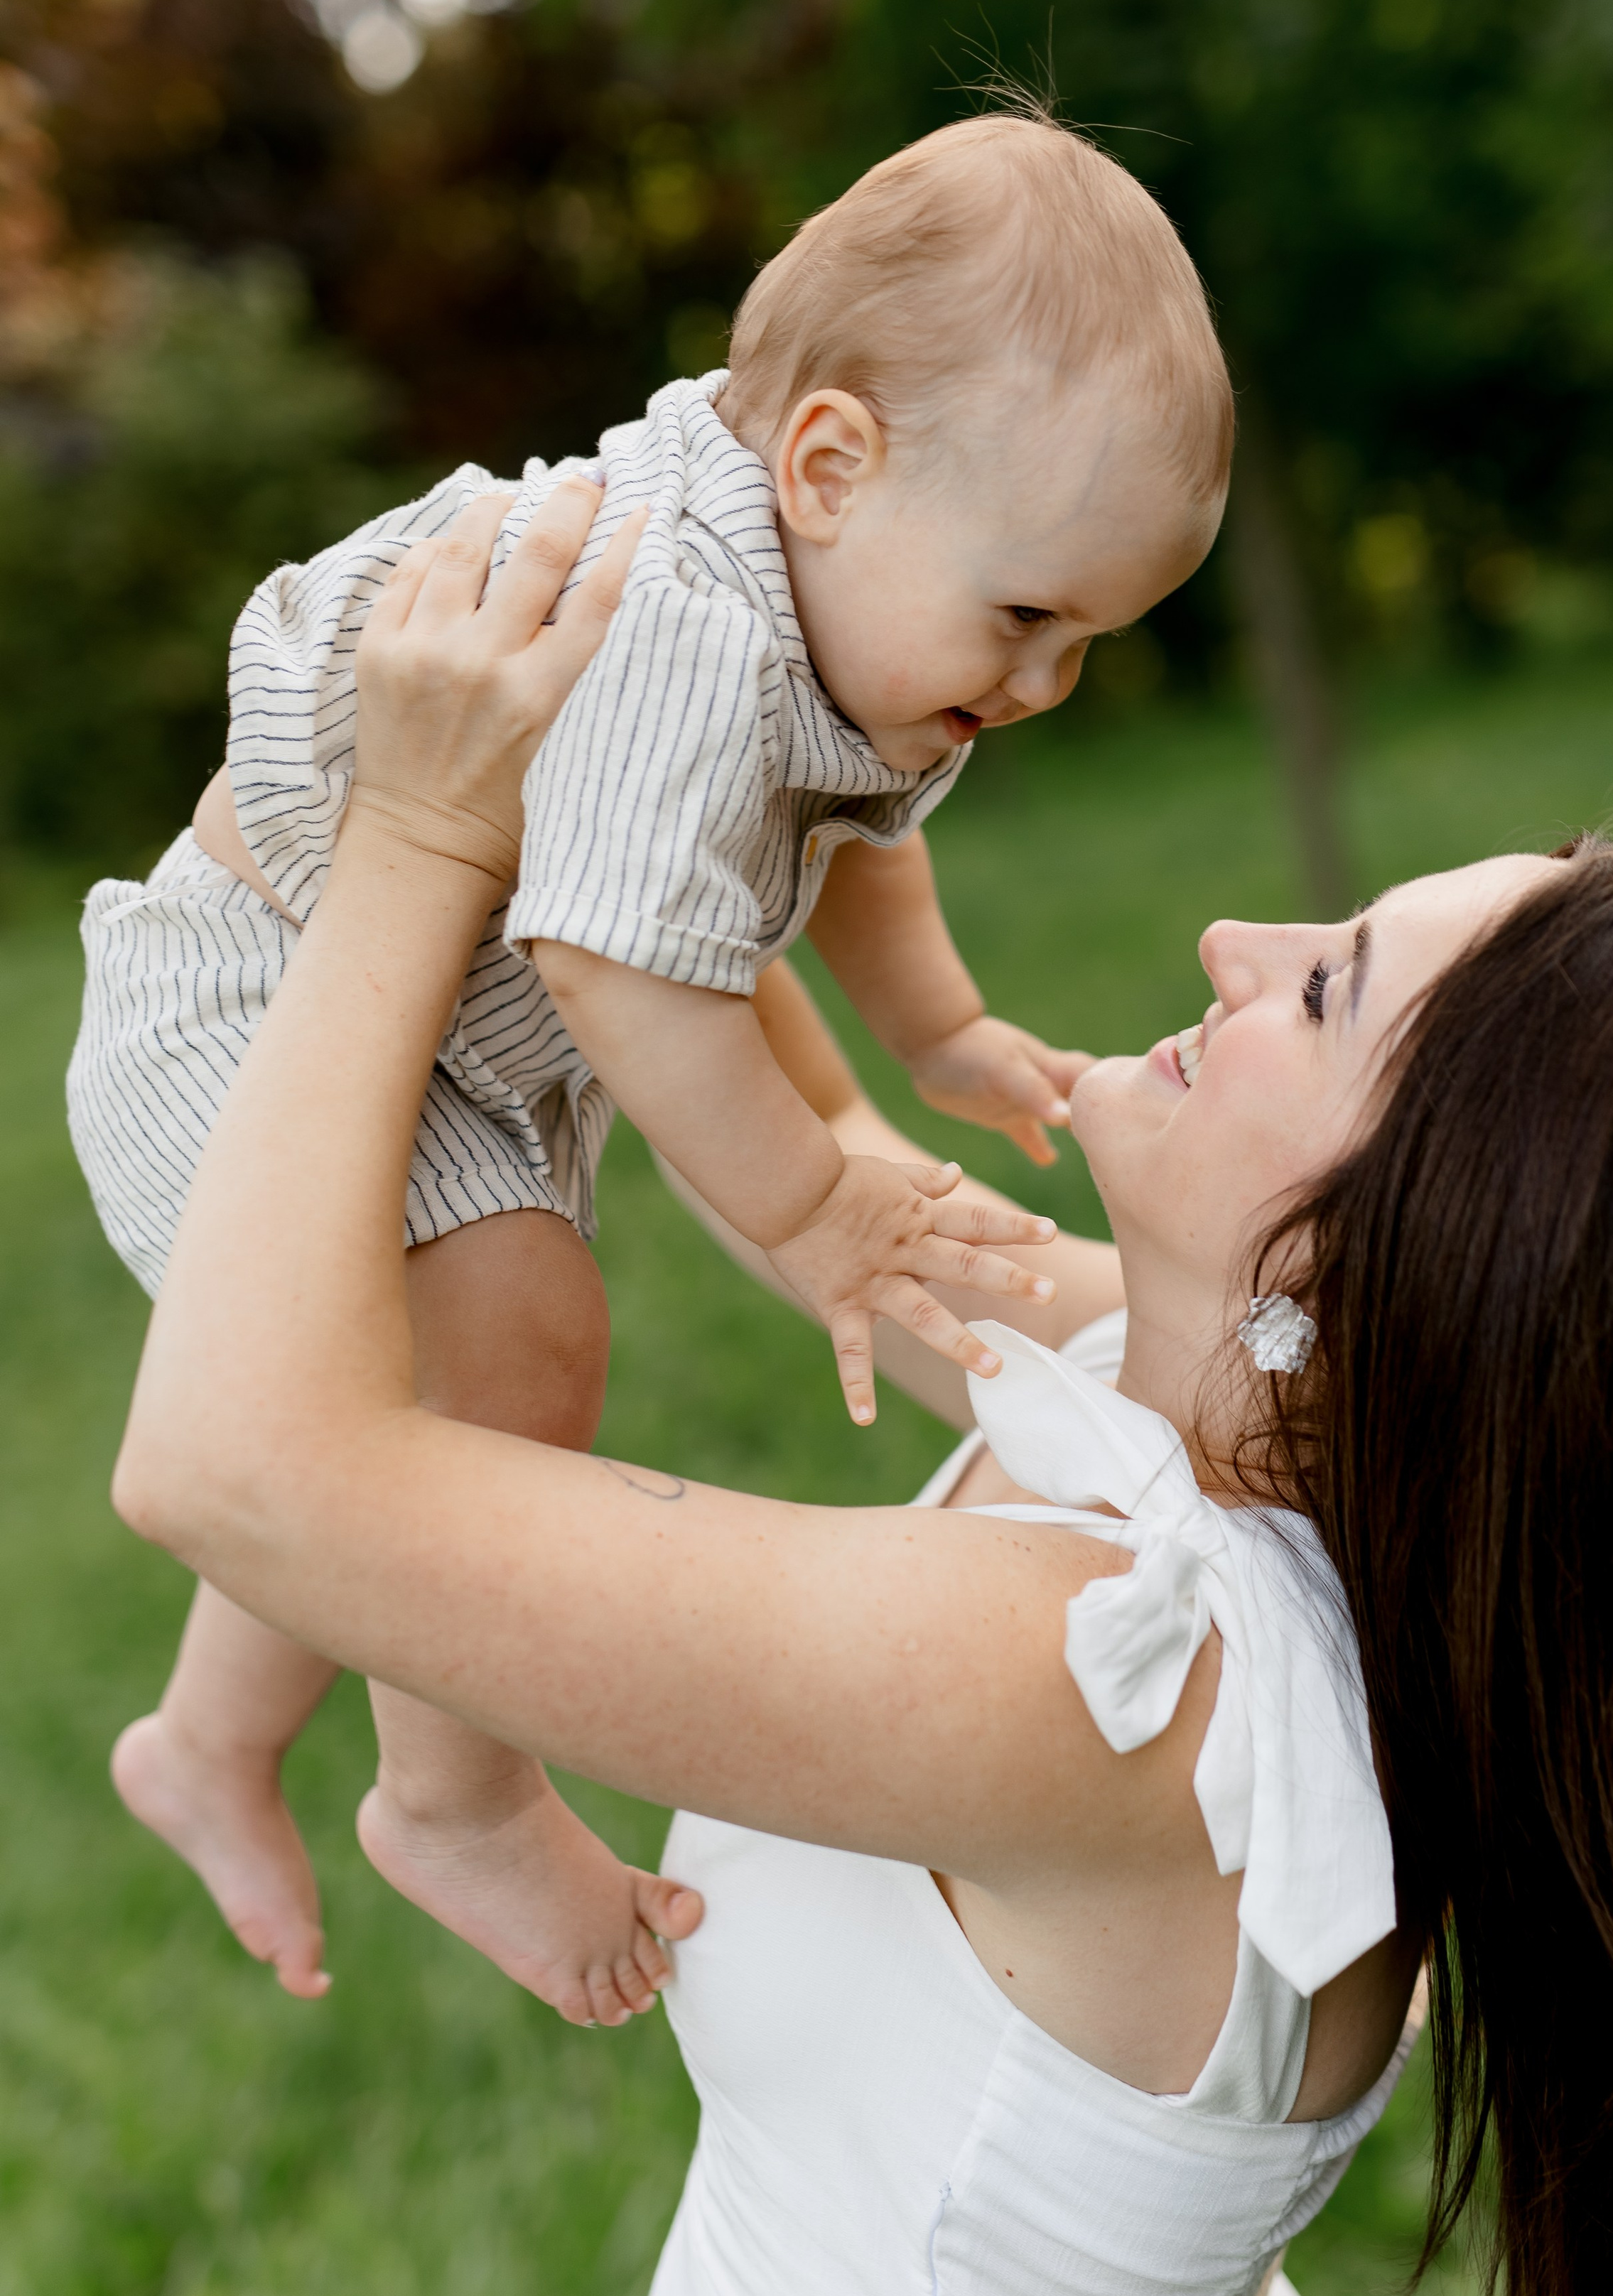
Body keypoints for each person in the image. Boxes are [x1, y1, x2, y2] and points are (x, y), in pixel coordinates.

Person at [113, 488, 1613, 2296]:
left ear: (1407, 1256)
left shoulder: (1114, 1686)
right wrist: (654, 754)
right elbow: (807, 1166)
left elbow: (236, 1471)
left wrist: (414, 846)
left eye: (1324, 985)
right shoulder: (1233, 1429)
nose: (1234, 939)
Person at [65, 109, 1229, 2020]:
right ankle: (455, 1802)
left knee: (404, 1380)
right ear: (828, 464)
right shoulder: (683, 615)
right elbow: (620, 962)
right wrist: (810, 1201)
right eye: (1029, 618)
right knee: (512, 1345)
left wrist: (931, 1027)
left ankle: (203, 1741)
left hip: (455, 1020)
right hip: (255, 991)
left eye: (1085, 641)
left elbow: (854, 832)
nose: (1037, 685)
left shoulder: (860, 603)